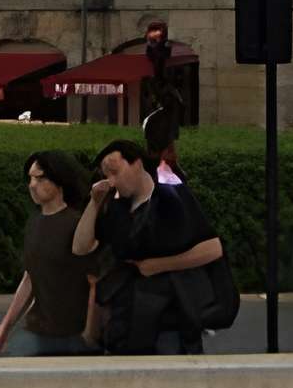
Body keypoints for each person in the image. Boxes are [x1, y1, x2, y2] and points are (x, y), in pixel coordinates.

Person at [79, 135, 229, 355]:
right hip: (124, 324)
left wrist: (160, 265)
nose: (111, 181)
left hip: (168, 324)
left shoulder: (172, 197)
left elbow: (212, 249)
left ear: (137, 163)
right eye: (106, 175)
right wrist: (94, 202)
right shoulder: (117, 208)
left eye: (115, 171)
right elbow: (82, 247)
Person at [0, 149, 97, 356]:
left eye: (40, 178)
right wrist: (3, 330)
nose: (32, 185)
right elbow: (30, 278)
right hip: (39, 330)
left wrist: (90, 333)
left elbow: (94, 281)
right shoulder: (34, 223)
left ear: (59, 180)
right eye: (30, 178)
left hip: (73, 336)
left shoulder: (77, 224)